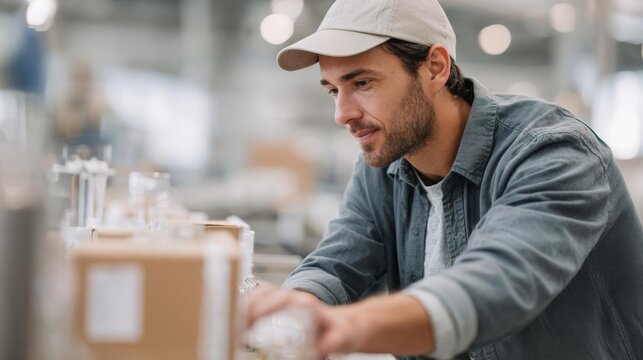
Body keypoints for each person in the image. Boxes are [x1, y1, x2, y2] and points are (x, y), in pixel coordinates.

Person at [247, 1, 643, 359]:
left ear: (435, 67)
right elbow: (336, 265)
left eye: (362, 83)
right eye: (333, 90)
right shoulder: (385, 164)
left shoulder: (553, 151)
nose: (342, 113)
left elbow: (496, 284)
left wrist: (346, 326)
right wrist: (294, 307)